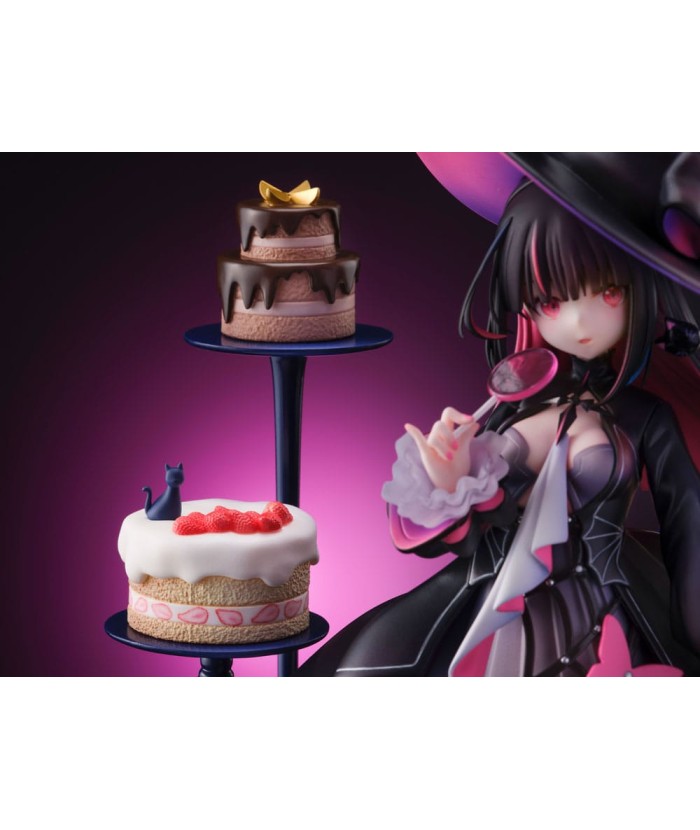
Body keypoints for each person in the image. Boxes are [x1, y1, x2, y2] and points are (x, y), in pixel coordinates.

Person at [299, 153, 700, 677]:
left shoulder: (645, 418)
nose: (581, 322)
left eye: (607, 293)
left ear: (638, 293)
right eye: (552, 301)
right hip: (498, 603)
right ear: (525, 304)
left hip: (605, 612)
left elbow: (687, 524)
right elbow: (471, 535)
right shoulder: (512, 407)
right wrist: (452, 480)